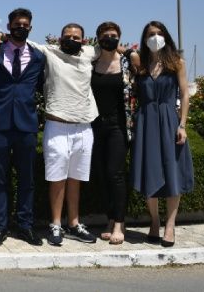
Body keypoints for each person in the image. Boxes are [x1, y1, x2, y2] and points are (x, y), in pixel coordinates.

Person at [27, 23, 99, 246]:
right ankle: (56, 224)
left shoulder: (90, 53)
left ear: (83, 40)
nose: (71, 39)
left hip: (84, 127)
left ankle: (74, 223)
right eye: (67, 36)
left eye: (76, 37)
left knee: (75, 178)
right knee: (57, 178)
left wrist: (129, 52)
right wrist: (1, 36)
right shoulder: (50, 51)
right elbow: (24, 41)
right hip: (57, 126)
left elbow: (111, 48)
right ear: (59, 38)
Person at [0, 8, 45, 247]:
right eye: (17, 24)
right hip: (0, 122)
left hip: (27, 123)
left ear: (30, 27)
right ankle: (0, 226)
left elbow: (39, 85)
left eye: (25, 24)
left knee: (27, 178)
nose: (21, 27)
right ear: (9, 26)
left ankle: (25, 225)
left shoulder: (38, 57)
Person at [130, 21, 194, 248]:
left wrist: (183, 125)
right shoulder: (141, 63)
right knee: (149, 170)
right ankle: (155, 222)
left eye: (158, 33)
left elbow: (185, 95)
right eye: (150, 34)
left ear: (165, 36)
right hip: (146, 120)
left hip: (169, 120)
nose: (155, 37)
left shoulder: (177, 62)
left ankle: (170, 225)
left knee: (172, 171)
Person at [90, 21, 135, 245]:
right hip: (95, 125)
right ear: (98, 37)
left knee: (115, 173)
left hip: (118, 126)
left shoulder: (127, 63)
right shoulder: (91, 62)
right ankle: (110, 219)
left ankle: (119, 223)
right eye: (105, 35)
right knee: (100, 173)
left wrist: (129, 51)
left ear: (119, 37)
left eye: (114, 35)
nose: (110, 37)